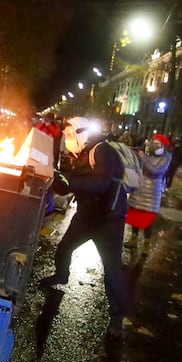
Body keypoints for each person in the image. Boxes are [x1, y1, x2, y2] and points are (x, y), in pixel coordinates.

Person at [40, 117, 129, 338]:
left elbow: (101, 183)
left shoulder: (102, 150)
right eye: (66, 136)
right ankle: (61, 276)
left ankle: (117, 318)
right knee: (64, 248)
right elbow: (69, 184)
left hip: (108, 219)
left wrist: (69, 181)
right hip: (87, 215)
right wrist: (56, 180)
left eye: (71, 135)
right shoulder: (80, 155)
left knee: (112, 268)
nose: (68, 140)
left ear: (83, 133)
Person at [125, 134, 172, 254]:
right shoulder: (147, 154)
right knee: (134, 215)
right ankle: (133, 239)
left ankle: (146, 244)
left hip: (151, 192)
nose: (154, 146)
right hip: (139, 188)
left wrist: (143, 158)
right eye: (153, 143)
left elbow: (156, 171)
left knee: (147, 219)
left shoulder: (166, 157)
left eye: (157, 144)